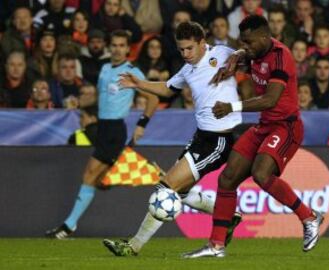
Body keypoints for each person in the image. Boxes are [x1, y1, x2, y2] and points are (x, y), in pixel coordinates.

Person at [183, 15, 324, 258]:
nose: (246, 46)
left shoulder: (281, 56)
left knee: (261, 173)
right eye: (243, 42)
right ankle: (216, 246)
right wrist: (237, 55)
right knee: (227, 179)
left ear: (264, 36)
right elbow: (241, 54)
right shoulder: (253, 52)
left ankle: (309, 217)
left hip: (286, 127)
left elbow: (270, 99)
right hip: (264, 126)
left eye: (249, 42)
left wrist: (231, 107)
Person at [102, 21, 243, 257]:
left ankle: (133, 246)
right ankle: (227, 216)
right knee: (182, 192)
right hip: (201, 137)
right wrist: (138, 83)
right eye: (181, 50)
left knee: (166, 188)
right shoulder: (187, 70)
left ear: (201, 42)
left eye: (190, 48)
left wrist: (239, 53)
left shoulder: (221, 53)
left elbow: (250, 57)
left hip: (220, 139)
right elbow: (168, 89)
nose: (185, 54)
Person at [45, 29, 159, 239]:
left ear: (127, 49)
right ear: (110, 47)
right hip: (103, 128)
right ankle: (108, 180)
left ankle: (69, 225)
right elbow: (100, 96)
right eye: (113, 45)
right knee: (93, 178)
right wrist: (79, 103)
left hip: (115, 129)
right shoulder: (105, 68)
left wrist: (142, 124)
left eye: (121, 45)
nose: (117, 49)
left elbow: (153, 98)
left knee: (90, 175)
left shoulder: (131, 71)